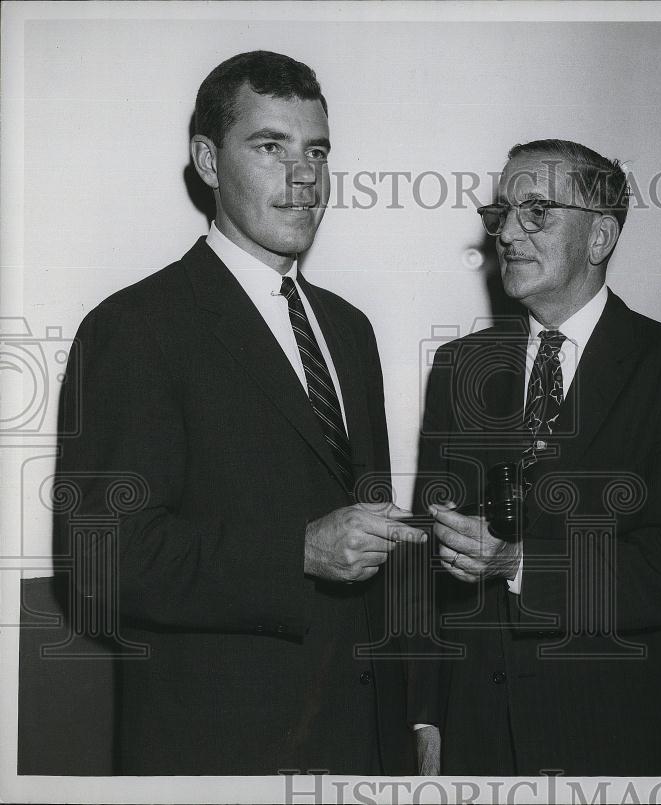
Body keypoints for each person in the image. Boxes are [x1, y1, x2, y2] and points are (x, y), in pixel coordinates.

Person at [53, 50, 425, 775]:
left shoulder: (349, 328)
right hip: (218, 755)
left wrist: (410, 710)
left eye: (316, 151)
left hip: (361, 745)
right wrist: (297, 551)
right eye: (270, 147)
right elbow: (100, 561)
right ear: (208, 161)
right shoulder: (137, 325)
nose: (304, 177)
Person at [410, 139, 661, 775]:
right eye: (501, 213)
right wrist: (426, 715)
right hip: (476, 744)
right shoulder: (460, 368)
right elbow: (431, 567)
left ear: (599, 238)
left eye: (536, 212)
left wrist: (522, 564)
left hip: (616, 745)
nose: (507, 233)